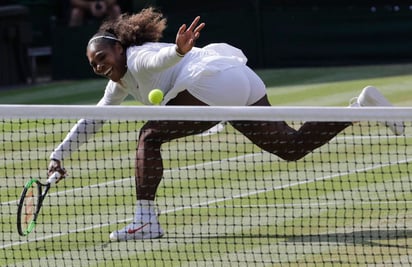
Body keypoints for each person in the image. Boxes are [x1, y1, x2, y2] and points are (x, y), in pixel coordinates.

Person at [47, 7, 404, 241]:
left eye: (102, 57)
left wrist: (178, 52)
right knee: (291, 147)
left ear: (120, 49)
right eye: (93, 63)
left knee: (149, 135)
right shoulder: (118, 83)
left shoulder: (139, 59)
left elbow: (159, 60)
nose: (98, 65)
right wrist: (60, 152)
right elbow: (95, 117)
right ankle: (360, 107)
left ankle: (145, 221)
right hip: (239, 79)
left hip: (211, 80)